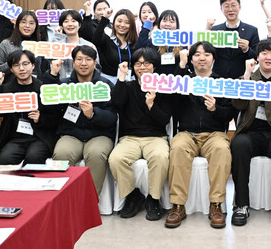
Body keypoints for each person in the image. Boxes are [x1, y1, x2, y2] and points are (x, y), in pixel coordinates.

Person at [165, 41, 237, 229]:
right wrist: (181, 66)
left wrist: (215, 109)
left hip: (214, 134)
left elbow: (230, 113)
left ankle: (216, 205)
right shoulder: (184, 79)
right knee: (177, 148)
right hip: (186, 133)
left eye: (206, 54)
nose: (202, 58)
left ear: (213, 58)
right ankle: (178, 206)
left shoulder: (222, 83)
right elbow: (172, 96)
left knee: (222, 150)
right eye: (197, 54)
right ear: (191, 59)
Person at [230, 40, 271, 228]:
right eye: (264, 53)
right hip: (250, 131)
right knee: (239, 144)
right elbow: (238, 105)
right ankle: (241, 205)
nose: (268, 57)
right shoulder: (247, 78)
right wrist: (246, 76)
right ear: (257, 57)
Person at [42, 45, 118, 195]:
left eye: (88, 59)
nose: (83, 63)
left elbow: (112, 117)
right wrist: (52, 76)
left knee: (96, 154)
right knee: (61, 154)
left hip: (99, 134)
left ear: (95, 62)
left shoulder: (105, 86)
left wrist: (93, 114)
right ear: (73, 62)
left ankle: (90, 201)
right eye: (79, 59)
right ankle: (64, 198)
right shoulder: (65, 85)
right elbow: (49, 107)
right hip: (71, 133)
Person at [108, 49, 171, 221]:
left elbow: (165, 119)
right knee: (116, 159)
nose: (142, 67)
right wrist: (121, 76)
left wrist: (151, 105)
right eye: (138, 63)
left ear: (154, 66)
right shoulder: (127, 86)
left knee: (160, 157)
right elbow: (116, 102)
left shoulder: (163, 87)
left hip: (156, 137)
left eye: (147, 63)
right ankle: (132, 196)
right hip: (130, 138)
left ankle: (154, 199)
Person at [0, 50, 60, 165]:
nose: (21, 69)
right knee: (4, 159)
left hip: (38, 137)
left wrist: (40, 119)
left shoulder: (43, 89)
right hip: (15, 138)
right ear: (11, 69)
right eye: (16, 65)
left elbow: (55, 118)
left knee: (34, 157)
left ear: (33, 65)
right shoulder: (6, 89)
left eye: (25, 64)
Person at [209, 0, 260, 79]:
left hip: (242, 78)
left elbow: (258, 58)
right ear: (221, 9)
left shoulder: (251, 30)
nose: (230, 9)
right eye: (226, 6)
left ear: (239, 7)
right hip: (218, 78)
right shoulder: (215, 30)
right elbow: (208, 53)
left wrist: (247, 49)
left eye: (233, 5)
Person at [93, 8, 138, 84]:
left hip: (129, 81)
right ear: (114, 22)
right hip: (109, 82)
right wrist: (104, 19)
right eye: (119, 21)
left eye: (127, 22)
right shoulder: (107, 40)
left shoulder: (134, 43)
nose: (122, 25)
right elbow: (95, 40)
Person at [0, 10, 44, 77]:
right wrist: (13, 61)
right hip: (10, 82)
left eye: (31, 23)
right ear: (17, 24)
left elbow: (43, 72)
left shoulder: (41, 46)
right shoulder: (6, 44)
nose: (27, 26)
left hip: (34, 82)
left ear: (36, 26)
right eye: (23, 22)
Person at [52, 10, 98, 79]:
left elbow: (96, 68)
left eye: (73, 21)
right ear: (62, 26)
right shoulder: (56, 46)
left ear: (80, 25)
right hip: (61, 83)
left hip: (84, 82)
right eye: (66, 21)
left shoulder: (89, 46)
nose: (70, 24)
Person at [135, 9, 183, 75]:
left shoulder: (182, 44)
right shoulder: (153, 42)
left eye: (172, 21)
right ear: (159, 23)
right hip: (156, 79)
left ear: (177, 25)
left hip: (176, 79)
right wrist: (148, 24)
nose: (167, 24)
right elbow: (139, 47)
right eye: (164, 21)